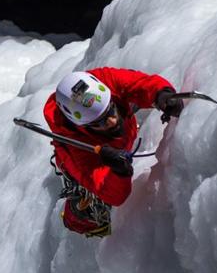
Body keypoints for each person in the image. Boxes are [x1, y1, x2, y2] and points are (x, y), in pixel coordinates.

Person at [43, 67, 183, 237]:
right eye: (100, 122)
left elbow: (138, 83)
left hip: (118, 140)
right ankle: (78, 217)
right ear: (83, 126)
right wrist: (119, 172)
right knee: (90, 205)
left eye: (110, 110)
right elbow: (114, 195)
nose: (112, 121)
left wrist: (162, 94)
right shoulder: (77, 150)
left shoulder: (101, 82)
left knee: (131, 100)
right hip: (95, 157)